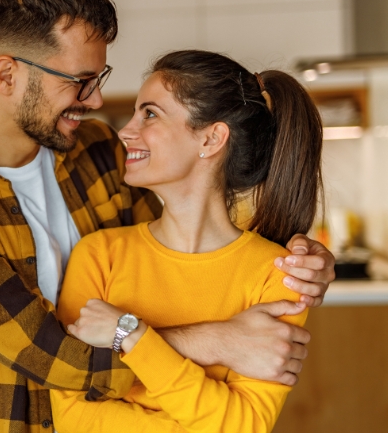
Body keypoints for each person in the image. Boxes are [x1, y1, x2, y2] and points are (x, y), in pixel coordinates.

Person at [0, 0, 335, 431]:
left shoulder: (97, 151)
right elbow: (59, 360)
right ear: (6, 75)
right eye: (80, 81)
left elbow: (190, 235)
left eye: (97, 79)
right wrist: (217, 340)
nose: (96, 101)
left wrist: (295, 255)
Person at [50, 50, 324, 432]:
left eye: (149, 113)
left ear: (211, 138)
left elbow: (243, 425)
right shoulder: (99, 255)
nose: (126, 131)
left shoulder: (277, 274)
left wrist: (131, 335)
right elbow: (73, 417)